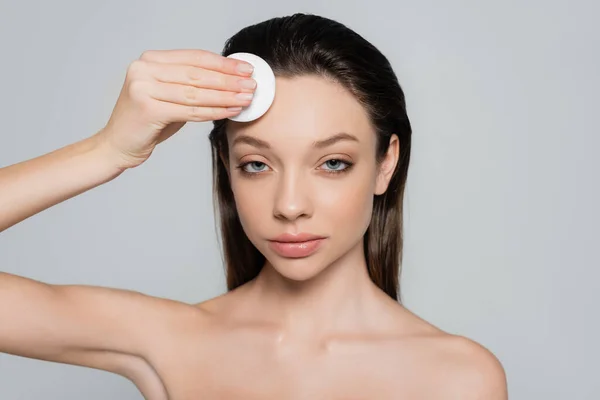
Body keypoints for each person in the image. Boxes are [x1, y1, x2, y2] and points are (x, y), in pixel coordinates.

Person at [0, 13, 507, 399]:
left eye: (332, 163)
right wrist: (106, 151)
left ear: (385, 164)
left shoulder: (459, 378)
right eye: (257, 165)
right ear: (226, 167)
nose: (289, 206)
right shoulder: (171, 340)